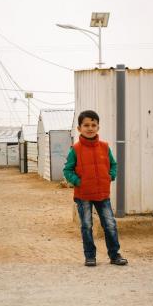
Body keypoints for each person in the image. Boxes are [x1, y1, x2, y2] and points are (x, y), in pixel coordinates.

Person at [63, 110, 128, 267]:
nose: (90, 128)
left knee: (110, 224)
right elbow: (67, 170)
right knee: (87, 225)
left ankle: (114, 255)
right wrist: (79, 182)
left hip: (102, 194)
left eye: (93, 125)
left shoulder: (105, 147)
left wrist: (110, 176)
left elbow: (113, 164)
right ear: (79, 128)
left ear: (98, 127)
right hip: (83, 195)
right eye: (86, 125)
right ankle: (90, 256)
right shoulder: (76, 149)